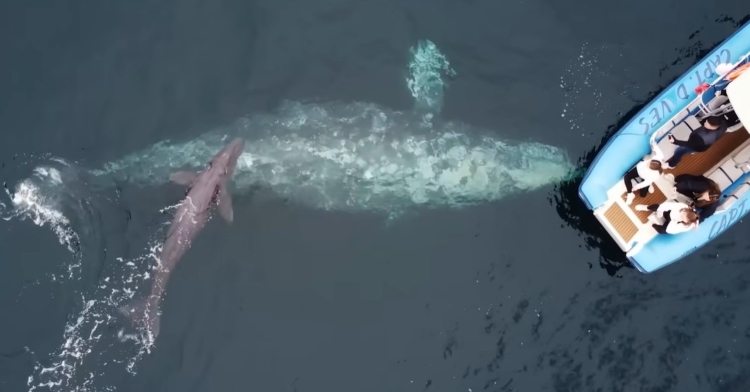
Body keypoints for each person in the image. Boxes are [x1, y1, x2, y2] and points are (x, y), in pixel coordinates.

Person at [623, 136, 665, 205]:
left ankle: (650, 183)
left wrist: (637, 187)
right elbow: (655, 146)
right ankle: (630, 194)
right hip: (639, 170)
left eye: (648, 165)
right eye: (650, 161)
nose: (647, 163)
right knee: (626, 177)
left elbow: (645, 183)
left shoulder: (654, 176)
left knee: (643, 195)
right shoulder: (660, 156)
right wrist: (653, 143)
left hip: (646, 177)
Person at [634, 201, 700, 234]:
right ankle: (646, 207)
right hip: (669, 212)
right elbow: (668, 205)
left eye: (684, 218)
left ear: (687, 222)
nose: (682, 216)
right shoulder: (682, 206)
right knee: (657, 207)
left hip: (672, 221)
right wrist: (661, 210)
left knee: (662, 231)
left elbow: (670, 230)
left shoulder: (686, 226)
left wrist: (674, 221)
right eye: (683, 214)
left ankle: (651, 224)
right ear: (686, 211)